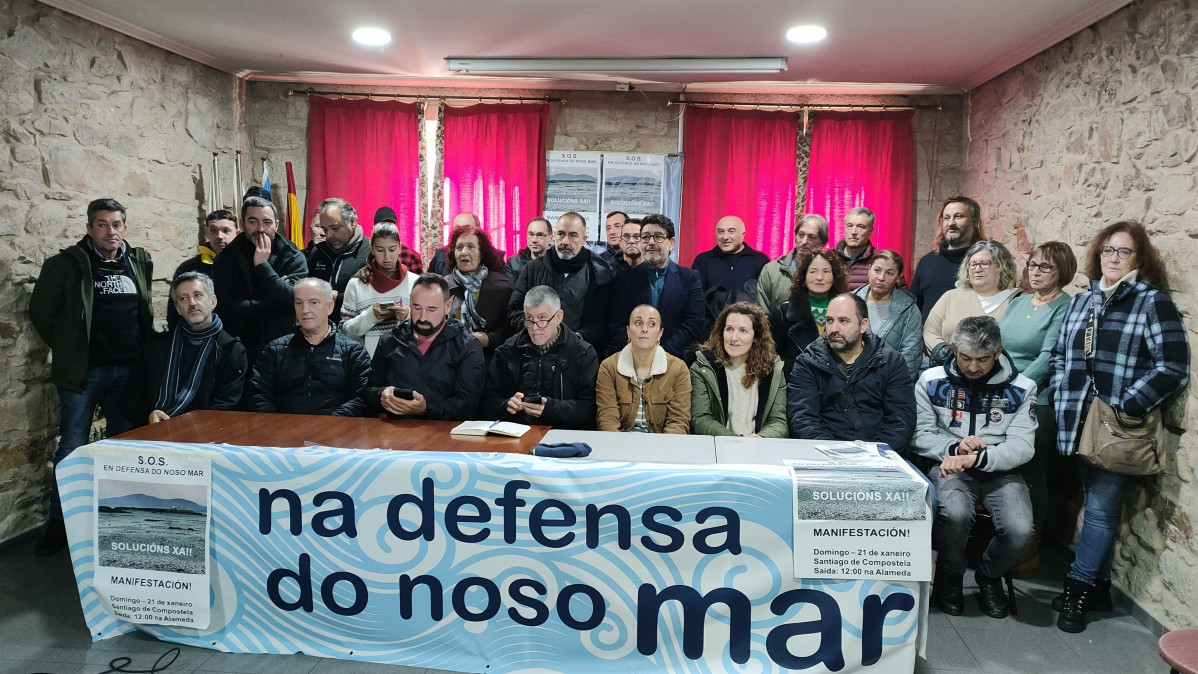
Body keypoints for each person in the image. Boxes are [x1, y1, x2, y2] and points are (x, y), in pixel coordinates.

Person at [1051, 222, 1189, 634]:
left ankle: (1077, 590)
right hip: (1078, 420)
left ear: (1139, 259)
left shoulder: (1151, 301)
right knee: (1099, 506)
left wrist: (1128, 403)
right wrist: (1061, 389)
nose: (1114, 257)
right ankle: (1100, 588)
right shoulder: (1084, 299)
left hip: (1119, 427)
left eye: (1124, 251)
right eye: (1108, 250)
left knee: (1100, 508)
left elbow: (1173, 366)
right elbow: (1061, 354)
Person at [30, 198, 153, 555]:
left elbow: (143, 313)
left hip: (128, 372)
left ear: (124, 228)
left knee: (124, 447)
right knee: (71, 448)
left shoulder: (139, 260)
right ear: (89, 228)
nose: (110, 231)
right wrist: (70, 349)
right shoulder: (65, 264)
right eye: (102, 224)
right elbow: (42, 313)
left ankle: (120, 521)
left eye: (116, 224)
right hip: (84, 374)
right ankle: (59, 524)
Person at [912, 316, 1036, 620]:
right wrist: (955, 449)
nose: (973, 367)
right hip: (950, 465)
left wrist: (979, 457)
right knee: (954, 515)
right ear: (954, 350)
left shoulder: (1023, 387)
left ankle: (989, 575)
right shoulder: (930, 381)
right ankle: (951, 574)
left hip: (1001, 468)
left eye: (983, 359)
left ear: (998, 352)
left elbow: (1023, 446)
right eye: (965, 357)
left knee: (1020, 530)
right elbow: (919, 436)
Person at [997, 241, 1076, 573]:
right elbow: (999, 345)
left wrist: (1014, 389)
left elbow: (1049, 356)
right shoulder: (1019, 302)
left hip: (1037, 399)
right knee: (1001, 469)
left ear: (1062, 271)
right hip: (1000, 392)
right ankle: (1003, 536)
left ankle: (1029, 546)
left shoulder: (1066, 306)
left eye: (1046, 266)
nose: (1036, 272)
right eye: (1033, 264)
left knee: (1032, 472)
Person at [787, 294, 916, 451]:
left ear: (863, 325)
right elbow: (802, 418)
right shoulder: (808, 362)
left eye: (843, 321)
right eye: (830, 320)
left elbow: (902, 420)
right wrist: (835, 453)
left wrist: (874, 453)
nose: (834, 329)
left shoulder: (890, 361)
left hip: (880, 455)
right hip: (826, 454)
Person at [123, 272, 247, 425]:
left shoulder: (231, 349)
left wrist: (188, 426)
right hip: (155, 428)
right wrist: (149, 414)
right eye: (183, 298)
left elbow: (227, 404)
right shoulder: (157, 346)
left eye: (198, 295)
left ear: (213, 301)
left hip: (205, 430)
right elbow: (129, 398)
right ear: (177, 308)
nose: (192, 303)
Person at [367, 274, 486, 420]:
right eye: (417, 307)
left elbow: (468, 406)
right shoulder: (390, 339)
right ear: (410, 301)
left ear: (448, 306)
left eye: (431, 309)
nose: (423, 317)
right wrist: (382, 395)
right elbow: (368, 392)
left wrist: (427, 407)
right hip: (395, 428)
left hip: (444, 431)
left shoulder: (467, 346)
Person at [480, 286, 600, 429]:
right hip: (517, 432)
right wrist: (506, 405)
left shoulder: (582, 353)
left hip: (564, 433)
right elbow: (485, 404)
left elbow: (589, 409)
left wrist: (552, 409)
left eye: (542, 319)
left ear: (559, 317)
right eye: (529, 319)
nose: (535, 328)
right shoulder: (506, 352)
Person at [247, 278, 370, 416]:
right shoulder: (274, 350)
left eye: (313, 302)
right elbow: (258, 394)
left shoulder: (354, 352)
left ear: (329, 307)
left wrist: (330, 423)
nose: (305, 310)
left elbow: (361, 397)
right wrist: (278, 423)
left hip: (337, 426)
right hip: (282, 426)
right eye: (299, 303)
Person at [210, 195, 307, 360]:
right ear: (243, 224)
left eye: (267, 222)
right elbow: (225, 308)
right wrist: (272, 300)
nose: (260, 228)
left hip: (282, 347)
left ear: (276, 225)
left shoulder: (292, 257)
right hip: (237, 346)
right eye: (253, 221)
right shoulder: (226, 258)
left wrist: (262, 266)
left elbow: (292, 301)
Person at [507, 212, 613, 352]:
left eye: (573, 235)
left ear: (584, 239)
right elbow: (514, 311)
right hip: (535, 351)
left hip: (580, 353)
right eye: (561, 234)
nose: (565, 242)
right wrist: (538, 330)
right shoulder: (532, 269)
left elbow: (605, 322)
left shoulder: (599, 274)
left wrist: (579, 338)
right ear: (554, 236)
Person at [608, 214, 705, 358]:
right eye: (645, 237)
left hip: (675, 359)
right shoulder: (624, 279)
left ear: (671, 243)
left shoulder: (689, 278)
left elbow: (693, 322)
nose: (651, 242)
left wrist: (662, 354)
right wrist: (637, 352)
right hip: (633, 358)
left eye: (658, 237)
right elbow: (617, 324)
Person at [689, 302, 788, 438]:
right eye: (729, 329)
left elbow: (778, 421)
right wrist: (733, 440)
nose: (734, 338)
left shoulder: (773, 370)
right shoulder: (704, 367)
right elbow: (700, 418)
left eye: (743, 331)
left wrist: (761, 438)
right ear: (722, 332)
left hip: (758, 446)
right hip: (718, 445)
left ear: (756, 337)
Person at [596, 305, 691, 433]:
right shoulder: (609, 367)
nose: (644, 329)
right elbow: (607, 419)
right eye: (638, 323)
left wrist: (664, 446)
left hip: (663, 443)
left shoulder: (678, 369)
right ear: (628, 331)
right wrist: (617, 444)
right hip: (619, 441)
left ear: (660, 333)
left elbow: (678, 421)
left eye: (652, 324)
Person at [924, 240, 1019, 366]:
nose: (977, 269)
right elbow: (930, 331)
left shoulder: (1017, 300)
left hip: (999, 371)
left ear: (1002, 267)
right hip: (947, 367)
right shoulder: (951, 296)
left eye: (984, 264)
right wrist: (948, 355)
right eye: (973, 264)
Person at [339, 223, 417, 356]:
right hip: (367, 361)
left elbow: (427, 326)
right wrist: (370, 316)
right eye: (380, 250)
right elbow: (345, 331)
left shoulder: (415, 283)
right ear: (372, 249)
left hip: (406, 360)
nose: (387, 256)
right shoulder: (356, 284)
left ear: (399, 247)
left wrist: (408, 315)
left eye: (392, 249)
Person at [769, 248, 849, 373]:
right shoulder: (782, 313)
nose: (819, 277)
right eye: (813, 271)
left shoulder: (848, 310)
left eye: (826, 271)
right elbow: (772, 358)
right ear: (803, 276)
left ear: (835, 276)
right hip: (796, 380)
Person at [445, 224, 516, 359]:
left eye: (471, 247)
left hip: (489, 360)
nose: (464, 252)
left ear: (482, 253)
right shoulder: (442, 286)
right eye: (459, 247)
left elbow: (512, 327)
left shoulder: (503, 287)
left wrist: (490, 339)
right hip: (449, 359)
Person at [910, 196, 986, 321]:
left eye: (958, 216)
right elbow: (914, 310)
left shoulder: (986, 264)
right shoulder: (927, 263)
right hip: (929, 333)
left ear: (975, 222)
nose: (951, 223)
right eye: (946, 218)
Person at [853, 250, 923, 377]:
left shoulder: (909, 309)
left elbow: (911, 355)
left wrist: (893, 385)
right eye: (877, 270)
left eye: (889, 273)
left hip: (890, 381)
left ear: (898, 277)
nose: (881, 278)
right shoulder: (851, 302)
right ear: (869, 270)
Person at [168, 210, 237, 329]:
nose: (219, 236)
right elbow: (174, 310)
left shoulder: (245, 265)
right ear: (206, 232)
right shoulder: (189, 268)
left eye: (226, 231)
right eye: (213, 230)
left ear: (238, 233)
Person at [308, 197, 368, 321]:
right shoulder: (318, 252)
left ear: (352, 222)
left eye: (335, 228)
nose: (329, 235)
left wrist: (339, 298)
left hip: (357, 327)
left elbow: (376, 298)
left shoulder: (370, 252)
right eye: (325, 229)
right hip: (321, 326)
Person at [757, 213, 829, 315]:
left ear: (822, 242)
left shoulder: (829, 273)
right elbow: (762, 314)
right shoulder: (772, 270)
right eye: (801, 235)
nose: (804, 241)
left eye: (812, 237)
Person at [691, 215, 770, 304]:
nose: (725, 237)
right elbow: (696, 298)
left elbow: (765, 298)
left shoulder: (760, 260)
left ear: (743, 234)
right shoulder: (703, 261)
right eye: (720, 232)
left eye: (731, 231)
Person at [835, 207, 881, 289]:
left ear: (871, 232)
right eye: (849, 226)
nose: (853, 232)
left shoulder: (881, 260)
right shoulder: (829, 257)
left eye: (860, 227)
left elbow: (901, 294)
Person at [373, 206, 425, 273]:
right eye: (380, 250)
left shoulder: (411, 256)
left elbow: (419, 279)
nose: (387, 256)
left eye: (391, 226)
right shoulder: (367, 255)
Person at [503, 216, 552, 282]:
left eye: (540, 235)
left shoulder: (557, 264)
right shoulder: (513, 262)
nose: (534, 240)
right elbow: (508, 287)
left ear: (550, 238)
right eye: (531, 234)